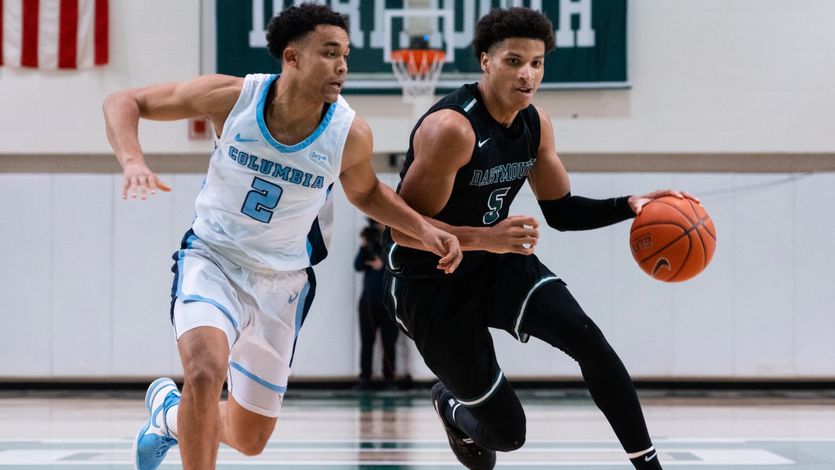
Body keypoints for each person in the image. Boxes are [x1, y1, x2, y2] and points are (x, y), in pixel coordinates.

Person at [102, 4, 462, 470]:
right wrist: (132, 160)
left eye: (346, 55)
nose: (342, 66)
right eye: (330, 53)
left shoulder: (348, 133)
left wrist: (425, 230)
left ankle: (170, 417)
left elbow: (368, 193)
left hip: (283, 283)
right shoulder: (234, 98)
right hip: (213, 259)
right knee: (204, 372)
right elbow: (123, 101)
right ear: (291, 58)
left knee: (250, 439)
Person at [383, 7, 697, 470]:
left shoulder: (536, 124)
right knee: (507, 437)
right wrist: (486, 238)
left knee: (589, 341)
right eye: (514, 61)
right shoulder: (452, 129)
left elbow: (562, 213)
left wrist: (630, 203)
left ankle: (649, 465)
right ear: (486, 61)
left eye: (536, 62)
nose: (527, 74)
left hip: (495, 264)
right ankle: (450, 404)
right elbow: (402, 228)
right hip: (427, 283)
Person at [354, 218, 399, 390]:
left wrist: (382, 262)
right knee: (367, 341)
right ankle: (365, 378)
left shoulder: (394, 241)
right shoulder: (369, 243)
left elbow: (398, 263)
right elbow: (358, 265)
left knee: (389, 342)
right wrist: (364, 245)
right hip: (368, 301)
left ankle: (389, 379)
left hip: (388, 301)